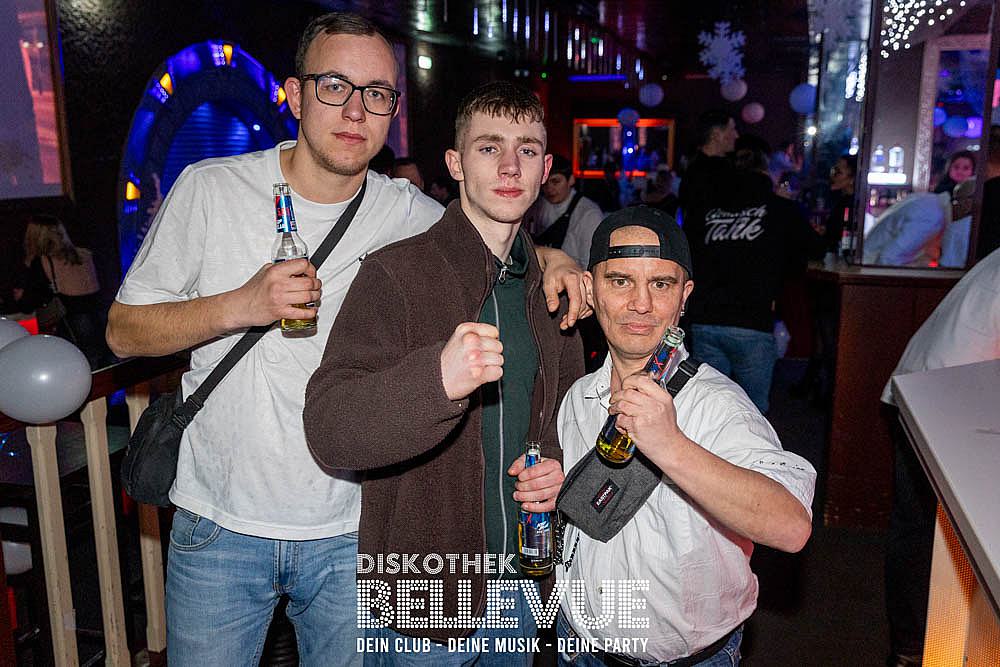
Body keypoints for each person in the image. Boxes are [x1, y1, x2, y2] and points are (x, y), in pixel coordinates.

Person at [105, 13, 586, 666]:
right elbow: (124, 329)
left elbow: (491, 228)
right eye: (335, 86)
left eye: (377, 93)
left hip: (348, 526)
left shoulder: (405, 210)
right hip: (221, 520)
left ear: (392, 111)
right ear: (295, 95)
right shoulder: (212, 188)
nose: (356, 110)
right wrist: (242, 304)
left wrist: (554, 259)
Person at [303, 81, 584, 665]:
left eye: (528, 150)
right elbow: (329, 427)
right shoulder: (397, 275)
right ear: (455, 164)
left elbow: (564, 418)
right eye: (489, 147)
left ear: (546, 168)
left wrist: (558, 467)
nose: (510, 166)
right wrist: (436, 380)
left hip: (522, 584)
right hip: (424, 596)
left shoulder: (552, 293)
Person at [556, 206, 816, 666]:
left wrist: (671, 445)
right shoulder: (578, 397)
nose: (641, 304)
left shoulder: (717, 403)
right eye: (621, 281)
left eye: (661, 284)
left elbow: (792, 527)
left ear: (684, 297)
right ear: (591, 290)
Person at [881, 247, 1000, 667]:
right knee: (928, 537)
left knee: (924, 533)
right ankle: (916, 649)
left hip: (928, 390)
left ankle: (914, 648)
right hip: (939, 401)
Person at [683, 138, 825, 413]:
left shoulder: (705, 207)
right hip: (752, 321)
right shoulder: (780, 208)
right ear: (766, 171)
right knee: (752, 415)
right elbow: (816, 248)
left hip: (705, 319)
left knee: (708, 410)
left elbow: (686, 252)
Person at [14, 214, 109, 367]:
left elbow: (30, 302)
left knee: (77, 368)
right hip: (101, 316)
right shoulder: (85, 254)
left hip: (73, 322)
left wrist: (21, 296)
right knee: (101, 366)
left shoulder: (43, 261)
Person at [863, 179, 976, 267]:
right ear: (967, 204)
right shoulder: (932, 217)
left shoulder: (931, 201)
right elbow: (888, 259)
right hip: (871, 268)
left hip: (869, 262)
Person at [526, 154, 605, 269]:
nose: (549, 189)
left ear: (571, 180)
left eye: (556, 182)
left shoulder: (589, 214)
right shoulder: (535, 206)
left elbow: (591, 265)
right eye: (545, 183)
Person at [677, 110, 738, 224]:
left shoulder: (694, 166)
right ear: (716, 134)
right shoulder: (700, 172)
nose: (736, 135)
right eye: (732, 129)